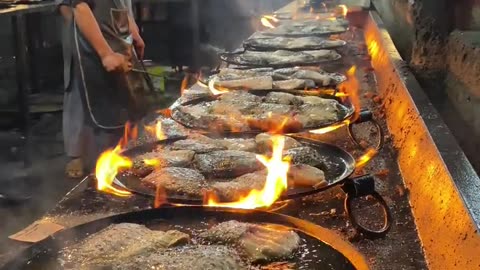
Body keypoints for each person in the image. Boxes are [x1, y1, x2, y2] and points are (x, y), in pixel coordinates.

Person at [59, 0, 147, 178]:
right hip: (93, 40)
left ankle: (127, 162)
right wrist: (105, 53)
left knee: (126, 101)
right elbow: (79, 7)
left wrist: (132, 28)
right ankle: (102, 175)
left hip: (115, 32)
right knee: (100, 110)